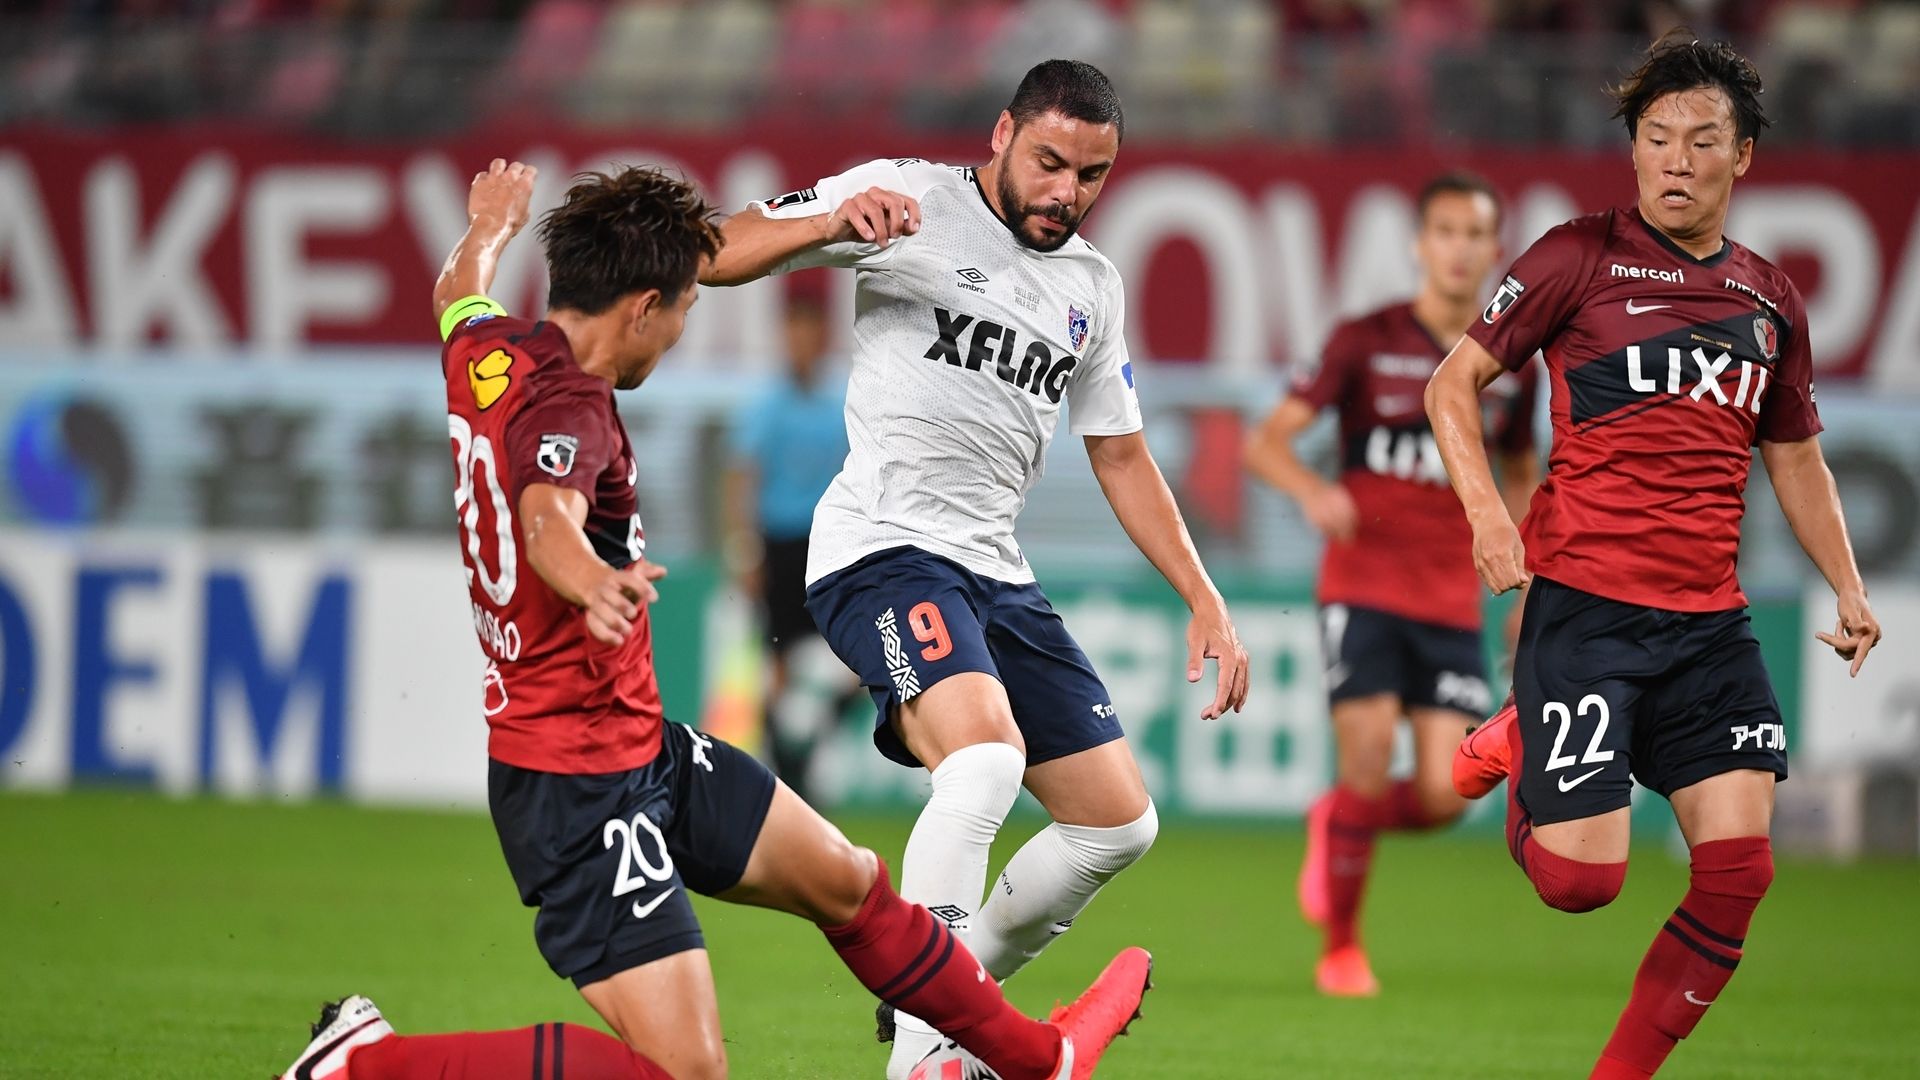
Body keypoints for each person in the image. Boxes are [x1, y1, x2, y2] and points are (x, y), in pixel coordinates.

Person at [277, 159, 1152, 1080]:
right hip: (577, 785)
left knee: (849, 883)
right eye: (687, 307)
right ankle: (364, 1066)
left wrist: (488, 226)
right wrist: (588, 579)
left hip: (642, 747)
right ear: (643, 307)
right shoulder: (571, 404)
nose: (685, 327)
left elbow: (457, 289)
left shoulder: (487, 352)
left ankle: (1034, 1060)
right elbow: (546, 517)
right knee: (685, 1075)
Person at [701, 59, 1249, 1080]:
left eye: (1091, 175)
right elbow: (718, 252)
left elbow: (1120, 453)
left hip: (994, 572)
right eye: (1049, 162)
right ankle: (923, 1055)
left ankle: (949, 993)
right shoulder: (908, 196)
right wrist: (825, 224)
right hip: (881, 547)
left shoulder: (1091, 284)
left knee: (1120, 824)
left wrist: (1203, 592)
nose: (1065, 193)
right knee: (987, 762)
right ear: (1001, 134)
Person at [1426, 34, 1882, 1079]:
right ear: (1633, 151)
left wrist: (1847, 585)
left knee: (1739, 872)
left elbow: (1796, 455)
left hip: (1710, 628)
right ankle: (1521, 739)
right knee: (1579, 887)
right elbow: (1453, 387)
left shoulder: (1771, 302)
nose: (1677, 158)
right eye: (1657, 137)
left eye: (1702, 140)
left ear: (1744, 159)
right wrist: (1492, 520)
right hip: (1585, 612)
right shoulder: (1574, 257)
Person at [1244, 171, 1540, 997]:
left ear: (1494, 249)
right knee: (1368, 759)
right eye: (1443, 231)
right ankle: (1341, 948)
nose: (1457, 248)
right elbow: (1266, 443)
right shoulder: (1363, 340)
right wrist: (1313, 490)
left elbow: (1521, 470)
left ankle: (1335, 820)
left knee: (1451, 795)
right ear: (1419, 243)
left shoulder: (1512, 366)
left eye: (1474, 233)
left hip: (1450, 598)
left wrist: (1528, 582)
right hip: (1363, 584)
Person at [723, 288, 853, 802]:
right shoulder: (767, 406)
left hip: (828, 545)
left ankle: (811, 737)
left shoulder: (839, 403)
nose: (800, 344)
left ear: (822, 338)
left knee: (863, 662)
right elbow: (741, 478)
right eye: (791, 334)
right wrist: (744, 547)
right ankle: (783, 770)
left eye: (808, 333)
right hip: (778, 546)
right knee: (774, 662)